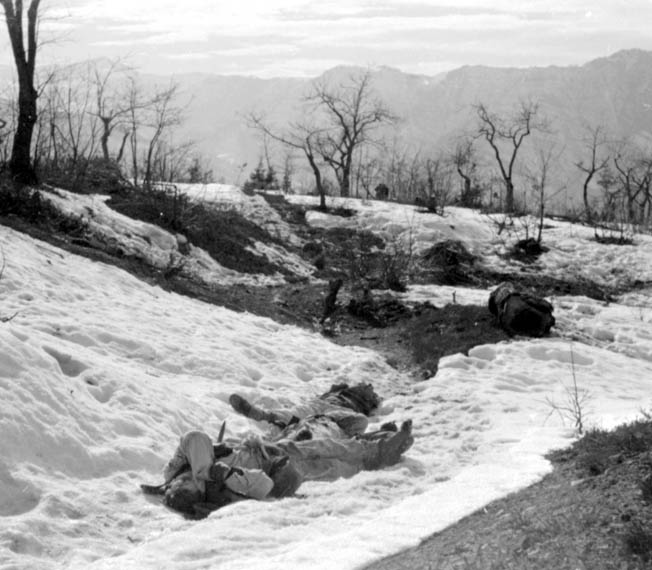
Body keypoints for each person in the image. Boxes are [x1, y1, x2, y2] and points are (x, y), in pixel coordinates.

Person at [155, 417, 414, 517]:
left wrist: (200, 470)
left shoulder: (176, 471)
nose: (186, 480)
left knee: (324, 446)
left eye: (183, 481)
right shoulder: (214, 491)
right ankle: (378, 454)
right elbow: (262, 486)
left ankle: (378, 449)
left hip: (267, 449)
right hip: (275, 469)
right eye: (191, 485)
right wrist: (227, 476)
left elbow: (195, 437)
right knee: (331, 467)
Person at [229, 382, 382, 441]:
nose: (369, 386)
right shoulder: (343, 389)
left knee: (361, 421)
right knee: (292, 414)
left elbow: (368, 412)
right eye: (366, 385)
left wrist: (371, 398)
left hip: (338, 411)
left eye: (370, 388)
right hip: (320, 403)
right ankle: (262, 418)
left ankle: (272, 440)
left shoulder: (369, 402)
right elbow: (335, 386)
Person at [488, 281, 555, 337]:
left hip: (522, 330)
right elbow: (548, 306)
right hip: (540, 325)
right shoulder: (518, 297)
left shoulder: (502, 313)